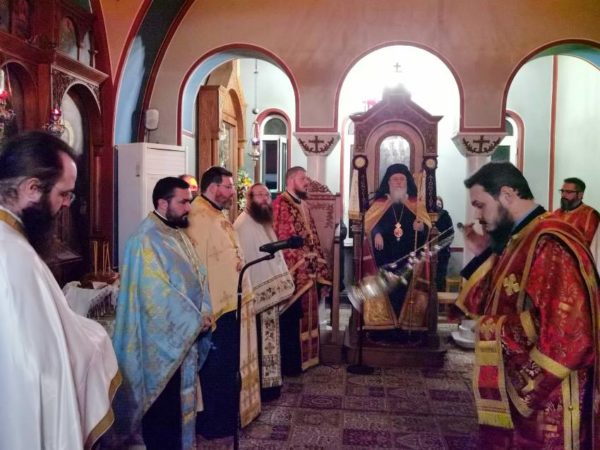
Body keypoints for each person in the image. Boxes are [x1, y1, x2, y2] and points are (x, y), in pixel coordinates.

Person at [457, 161, 600, 449]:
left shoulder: (550, 242)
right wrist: (483, 251)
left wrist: (490, 329)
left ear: (507, 195)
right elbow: (494, 298)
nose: (477, 216)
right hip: (521, 384)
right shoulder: (520, 238)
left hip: (550, 398)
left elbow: (570, 333)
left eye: (480, 205)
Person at [0, 131, 120, 449]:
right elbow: (39, 366)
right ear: (32, 189)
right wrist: (97, 341)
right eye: (63, 193)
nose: (67, 204)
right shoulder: (13, 256)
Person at [112, 177, 212, 450]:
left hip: (183, 338)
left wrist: (204, 311)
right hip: (160, 345)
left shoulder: (175, 233)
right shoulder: (144, 240)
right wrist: (194, 319)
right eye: (183, 202)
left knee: (177, 410)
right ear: (162, 203)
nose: (189, 208)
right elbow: (155, 295)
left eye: (189, 202)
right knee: (163, 412)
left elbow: (198, 275)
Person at [186, 166, 261, 438]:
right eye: (228, 187)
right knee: (215, 369)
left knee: (228, 367)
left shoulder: (217, 214)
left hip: (232, 305)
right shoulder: (197, 218)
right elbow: (196, 266)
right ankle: (213, 425)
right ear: (213, 187)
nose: (232, 192)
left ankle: (227, 418)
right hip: (215, 310)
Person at [234, 183, 295, 400]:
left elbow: (273, 255)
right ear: (249, 198)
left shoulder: (263, 221)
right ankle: (262, 388)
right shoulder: (243, 224)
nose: (264, 199)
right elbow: (247, 259)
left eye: (267, 195)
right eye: (259, 195)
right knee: (258, 341)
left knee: (269, 339)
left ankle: (270, 386)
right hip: (255, 292)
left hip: (267, 288)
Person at [272, 166, 331, 375]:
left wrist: (319, 266)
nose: (307, 182)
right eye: (303, 178)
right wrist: (302, 265)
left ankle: (308, 359)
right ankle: (292, 364)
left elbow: (313, 238)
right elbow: (283, 239)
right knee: (293, 318)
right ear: (291, 180)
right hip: (296, 271)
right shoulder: (281, 204)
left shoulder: (303, 205)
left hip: (309, 270)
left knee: (309, 316)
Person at [361, 163, 431, 331]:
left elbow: (429, 231)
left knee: (405, 291)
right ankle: (386, 327)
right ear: (388, 182)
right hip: (385, 258)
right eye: (395, 179)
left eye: (402, 179)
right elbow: (369, 225)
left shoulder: (416, 204)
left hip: (409, 257)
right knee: (388, 290)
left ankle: (406, 326)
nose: (398, 182)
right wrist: (376, 233)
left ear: (407, 182)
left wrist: (422, 228)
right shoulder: (380, 203)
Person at [552, 177, 600, 263]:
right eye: (562, 191)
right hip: (555, 260)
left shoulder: (590, 215)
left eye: (568, 192)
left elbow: (591, 247)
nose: (563, 195)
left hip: (577, 263)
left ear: (580, 195)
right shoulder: (556, 213)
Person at [434, 195, 454, 291]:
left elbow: (451, 234)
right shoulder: (429, 216)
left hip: (443, 252)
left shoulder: (446, 217)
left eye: (439, 204)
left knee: (440, 276)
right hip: (430, 252)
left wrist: (440, 237)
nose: (438, 206)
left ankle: (439, 293)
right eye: (436, 204)